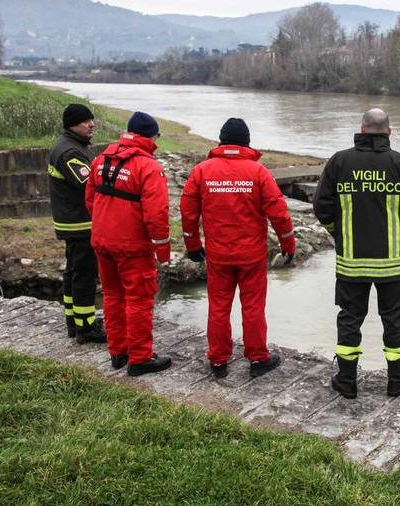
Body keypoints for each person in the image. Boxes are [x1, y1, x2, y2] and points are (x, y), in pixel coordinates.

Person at [313, 108, 400, 399]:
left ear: (362, 129)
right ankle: (397, 380)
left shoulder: (339, 162)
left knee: (349, 318)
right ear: (389, 132)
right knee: (394, 319)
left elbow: (321, 207)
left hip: (351, 263)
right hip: (393, 264)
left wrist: (338, 233)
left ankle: (346, 381)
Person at [180, 118, 297, 379]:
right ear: (247, 143)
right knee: (253, 307)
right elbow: (279, 214)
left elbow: (188, 213)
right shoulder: (259, 172)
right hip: (251, 256)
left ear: (221, 141)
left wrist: (193, 245)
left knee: (218, 307)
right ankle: (258, 358)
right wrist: (288, 245)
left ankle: (218, 360)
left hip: (218, 255)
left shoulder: (202, 171)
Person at [85, 112, 172, 376]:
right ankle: (140, 358)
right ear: (151, 136)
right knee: (139, 301)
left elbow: (90, 200)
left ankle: (118, 352)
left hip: (103, 242)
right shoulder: (148, 167)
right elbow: (157, 215)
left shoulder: (101, 160)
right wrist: (163, 251)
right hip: (133, 247)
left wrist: (106, 227)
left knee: (112, 296)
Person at [48, 103, 105, 343]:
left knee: (73, 272)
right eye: (85, 121)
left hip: (72, 221)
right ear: (72, 124)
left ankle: (74, 321)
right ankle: (86, 328)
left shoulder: (71, 145)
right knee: (84, 274)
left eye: (92, 120)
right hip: (80, 224)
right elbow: (90, 184)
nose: (91, 124)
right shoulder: (70, 152)